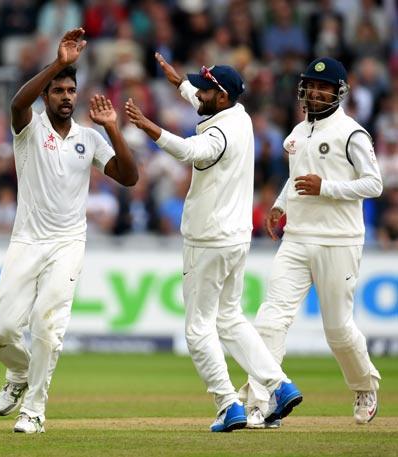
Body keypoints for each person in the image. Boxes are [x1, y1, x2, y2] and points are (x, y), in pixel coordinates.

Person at [124, 53, 302, 432]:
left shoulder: (218, 133)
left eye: (205, 89)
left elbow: (190, 151)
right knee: (230, 318)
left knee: (198, 327)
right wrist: (178, 82)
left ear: (221, 96)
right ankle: (279, 384)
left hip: (208, 239)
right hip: (236, 237)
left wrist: (148, 126)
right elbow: (199, 99)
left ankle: (228, 404)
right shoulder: (238, 116)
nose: (198, 94)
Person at [0, 27, 138, 434]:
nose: (67, 97)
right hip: (26, 240)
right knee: (3, 330)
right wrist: (58, 62)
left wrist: (111, 127)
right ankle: (19, 375)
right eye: (59, 91)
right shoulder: (29, 128)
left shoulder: (88, 139)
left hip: (68, 244)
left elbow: (129, 177)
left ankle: (34, 411)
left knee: (46, 327)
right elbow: (17, 102)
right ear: (47, 96)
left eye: (71, 90)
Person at [241, 57, 383, 428]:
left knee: (337, 329)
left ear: (338, 92)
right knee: (271, 320)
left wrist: (328, 188)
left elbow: (374, 184)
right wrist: (278, 205)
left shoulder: (352, 133)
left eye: (324, 87)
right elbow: (297, 177)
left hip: (339, 240)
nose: (316, 92)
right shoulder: (299, 131)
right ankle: (261, 399)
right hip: (297, 238)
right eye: (311, 86)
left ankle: (364, 385)